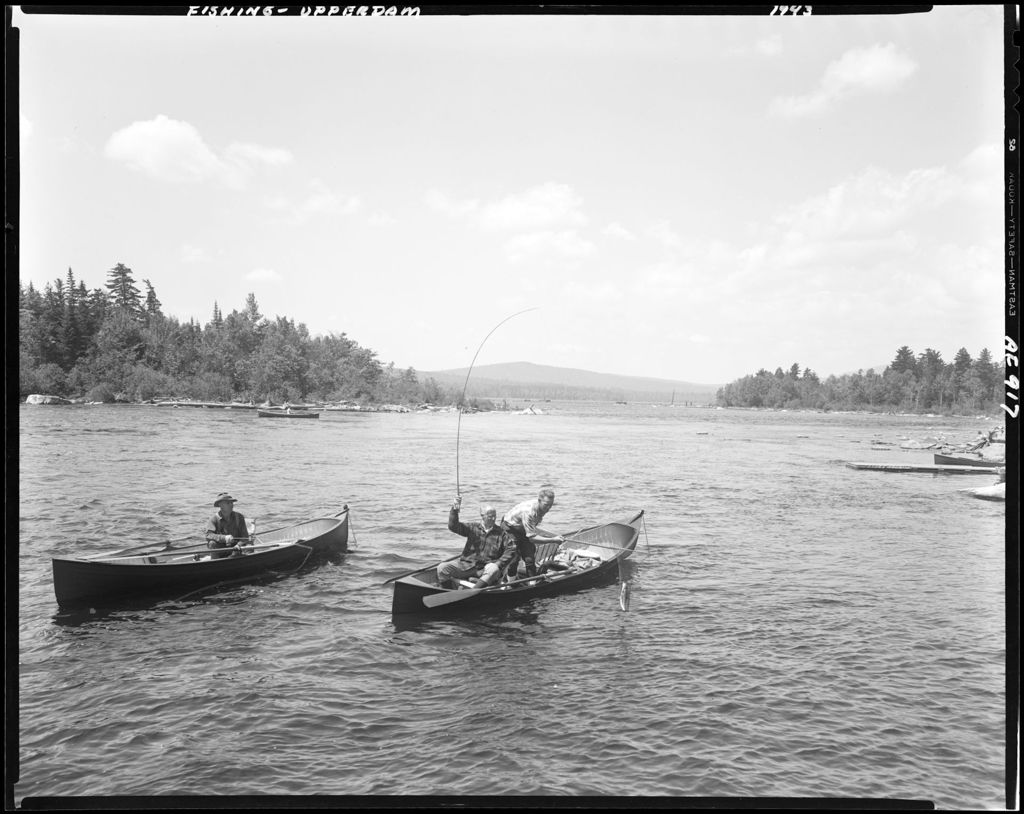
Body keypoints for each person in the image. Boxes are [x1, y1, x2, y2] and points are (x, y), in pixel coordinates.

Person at [438, 495, 517, 589]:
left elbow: (511, 549)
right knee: (442, 568)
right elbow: (453, 526)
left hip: (485, 569)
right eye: (490, 516)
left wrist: (498, 563)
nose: (493, 519)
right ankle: (448, 591)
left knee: (494, 568)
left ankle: (474, 591)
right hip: (466, 566)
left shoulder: (501, 533)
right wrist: (455, 509)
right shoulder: (472, 528)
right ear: (482, 516)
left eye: (495, 516)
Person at [501, 487, 565, 578]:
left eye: (551, 505)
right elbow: (532, 538)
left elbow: (532, 528)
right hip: (509, 528)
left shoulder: (542, 507)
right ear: (539, 500)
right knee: (514, 558)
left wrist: (552, 536)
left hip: (522, 529)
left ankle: (532, 582)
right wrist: (553, 540)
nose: (548, 508)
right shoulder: (529, 512)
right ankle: (510, 584)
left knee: (529, 559)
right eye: (546, 505)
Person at [205, 492, 251, 559]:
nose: (231, 505)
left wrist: (238, 545)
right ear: (220, 505)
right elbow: (208, 535)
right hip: (221, 549)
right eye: (228, 503)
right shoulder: (214, 519)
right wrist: (224, 538)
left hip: (237, 548)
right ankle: (215, 565)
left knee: (250, 547)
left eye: (232, 503)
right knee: (212, 543)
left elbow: (245, 537)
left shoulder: (239, 517)